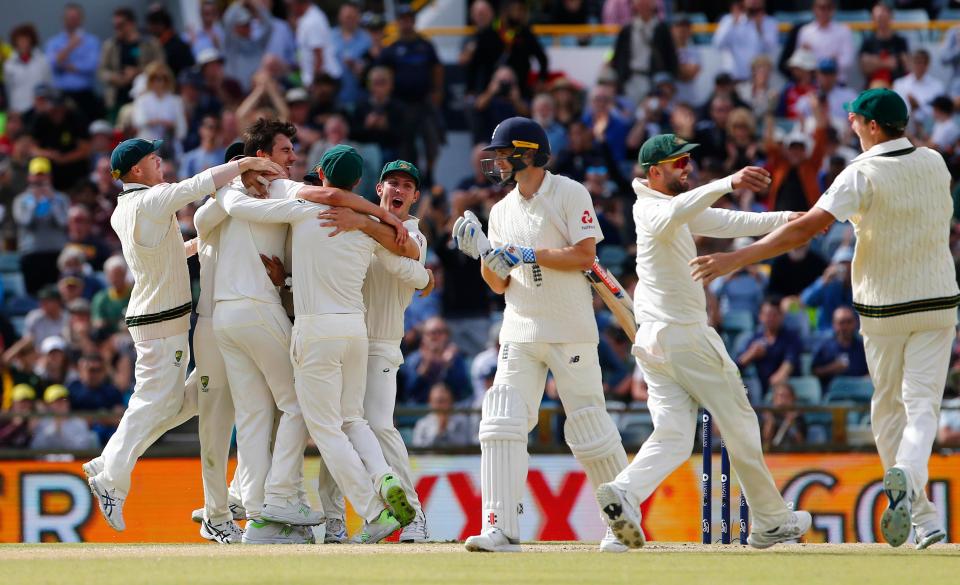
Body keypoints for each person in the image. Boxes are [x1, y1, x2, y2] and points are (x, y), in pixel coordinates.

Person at [690, 88, 956, 550]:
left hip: (883, 309)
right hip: (937, 303)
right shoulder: (936, 162)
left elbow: (807, 228)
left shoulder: (861, 173)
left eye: (855, 120)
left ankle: (920, 509)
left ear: (874, 126)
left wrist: (737, 259)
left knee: (889, 407)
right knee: (922, 406)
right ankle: (920, 505)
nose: (851, 127)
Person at [593, 133, 810, 550]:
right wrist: (729, 181)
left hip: (655, 344)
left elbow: (729, 223)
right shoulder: (650, 210)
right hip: (684, 336)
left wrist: (788, 220)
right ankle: (770, 522)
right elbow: (679, 210)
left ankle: (623, 494)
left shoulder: (676, 209)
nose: (687, 168)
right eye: (679, 163)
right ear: (654, 172)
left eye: (688, 161)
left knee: (674, 434)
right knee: (741, 420)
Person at [217, 144, 425, 544]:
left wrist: (227, 187)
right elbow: (411, 250)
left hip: (316, 330)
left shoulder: (299, 207)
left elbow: (241, 210)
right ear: (362, 183)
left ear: (320, 174)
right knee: (354, 420)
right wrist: (372, 218)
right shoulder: (365, 224)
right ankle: (384, 477)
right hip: (355, 332)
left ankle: (373, 510)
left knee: (326, 428)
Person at [84, 136, 282, 532]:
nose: (162, 164)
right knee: (154, 402)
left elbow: (163, 252)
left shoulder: (125, 208)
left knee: (184, 400)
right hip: (160, 321)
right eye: (155, 160)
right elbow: (196, 185)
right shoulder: (149, 201)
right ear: (137, 170)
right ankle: (110, 475)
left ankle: (107, 464)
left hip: (160, 318)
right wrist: (241, 166)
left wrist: (198, 245)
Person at [452, 117, 629, 553]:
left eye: (502, 153)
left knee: (588, 425)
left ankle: (622, 521)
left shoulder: (569, 192)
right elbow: (499, 285)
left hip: (569, 328)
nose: (494, 162)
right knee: (500, 423)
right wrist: (485, 258)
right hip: (518, 328)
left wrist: (528, 253)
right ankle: (500, 527)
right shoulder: (501, 210)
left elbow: (586, 256)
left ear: (528, 153)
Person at [309, 159, 436, 543]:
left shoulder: (412, 233)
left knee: (378, 425)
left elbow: (408, 260)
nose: (398, 190)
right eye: (392, 183)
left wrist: (364, 225)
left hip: (380, 344)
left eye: (406, 187)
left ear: (414, 197)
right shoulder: (349, 223)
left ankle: (413, 516)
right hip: (343, 339)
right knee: (339, 428)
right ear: (378, 188)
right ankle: (333, 521)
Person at [12, 158, 70, 294]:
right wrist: (34, 201)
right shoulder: (21, 200)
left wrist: (51, 200)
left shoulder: (61, 198)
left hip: (56, 253)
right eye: (37, 176)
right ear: (29, 177)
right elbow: (24, 221)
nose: (40, 181)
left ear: (49, 177)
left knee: (57, 294)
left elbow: (63, 222)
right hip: (31, 253)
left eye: (43, 176)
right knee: (33, 294)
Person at [98, 7, 164, 116]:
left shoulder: (150, 43)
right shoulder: (110, 46)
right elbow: (101, 71)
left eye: (121, 25)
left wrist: (138, 72)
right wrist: (117, 78)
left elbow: (161, 66)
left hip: (147, 96)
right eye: (115, 26)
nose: (117, 29)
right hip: (118, 98)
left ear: (131, 23)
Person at [609, 0, 677, 105]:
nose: (643, 7)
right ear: (635, 6)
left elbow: (671, 57)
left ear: (653, 5)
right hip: (631, 79)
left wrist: (668, 82)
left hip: (655, 80)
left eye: (647, 3)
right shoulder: (627, 29)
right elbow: (617, 56)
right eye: (640, 3)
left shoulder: (662, 29)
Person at [45, 4, 103, 119]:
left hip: (85, 95)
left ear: (81, 19)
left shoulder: (92, 41)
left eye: (75, 17)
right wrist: (70, 46)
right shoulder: (53, 42)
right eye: (69, 17)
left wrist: (67, 66)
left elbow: (92, 65)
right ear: (63, 19)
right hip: (61, 95)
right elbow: (52, 63)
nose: (72, 20)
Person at [712, 0, 778, 82]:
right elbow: (718, 45)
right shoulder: (728, 20)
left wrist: (760, 28)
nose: (754, 1)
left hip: (756, 80)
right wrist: (733, 23)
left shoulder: (769, 22)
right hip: (732, 78)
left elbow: (770, 49)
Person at [795, 0, 854, 83]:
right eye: (821, 7)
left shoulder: (844, 31)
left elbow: (848, 61)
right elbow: (799, 62)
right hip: (812, 85)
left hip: (838, 84)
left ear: (833, 9)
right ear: (814, 9)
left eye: (829, 7)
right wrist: (831, 61)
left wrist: (816, 63)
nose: (825, 11)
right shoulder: (805, 31)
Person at [812, 306, 869, 391]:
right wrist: (832, 368)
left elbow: (872, 372)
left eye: (849, 322)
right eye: (841, 322)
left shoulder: (864, 347)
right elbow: (814, 372)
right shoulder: (824, 347)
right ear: (834, 324)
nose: (845, 327)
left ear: (855, 323)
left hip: (859, 395)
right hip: (832, 397)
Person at [31, 384, 99, 451]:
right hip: (46, 461)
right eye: (56, 401)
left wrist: (62, 433)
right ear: (48, 405)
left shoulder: (79, 422)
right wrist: (53, 430)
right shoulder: (42, 422)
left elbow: (83, 448)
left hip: (72, 461)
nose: (61, 404)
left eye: (64, 400)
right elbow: (36, 447)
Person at [288, 0, 340, 86]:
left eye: (291, 5)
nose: (290, 9)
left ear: (299, 4)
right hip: (319, 80)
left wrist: (315, 84)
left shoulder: (312, 21)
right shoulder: (307, 18)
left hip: (324, 82)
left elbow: (319, 56)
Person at [4, 24, 52, 115]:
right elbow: (9, 89)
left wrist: (47, 105)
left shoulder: (43, 61)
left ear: (32, 41)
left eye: (26, 40)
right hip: (18, 109)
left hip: (39, 109)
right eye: (20, 40)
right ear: (15, 42)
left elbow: (48, 84)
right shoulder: (9, 65)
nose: (23, 43)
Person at [859, 1, 909, 86]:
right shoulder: (868, 42)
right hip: (874, 88)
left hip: (897, 86)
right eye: (878, 17)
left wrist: (875, 61)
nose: (880, 19)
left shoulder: (900, 41)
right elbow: (865, 67)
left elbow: (907, 66)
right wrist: (886, 63)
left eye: (883, 16)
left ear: (890, 16)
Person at [412, 383, 473, 447]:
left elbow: (466, 447)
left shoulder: (462, 422)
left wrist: (446, 430)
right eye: (438, 401)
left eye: (445, 401)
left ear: (451, 401)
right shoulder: (422, 424)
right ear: (431, 403)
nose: (441, 406)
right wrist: (438, 432)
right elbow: (418, 450)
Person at [145, 6, 195, 77]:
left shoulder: (178, 46)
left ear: (160, 25)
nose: (149, 29)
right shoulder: (155, 45)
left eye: (151, 25)